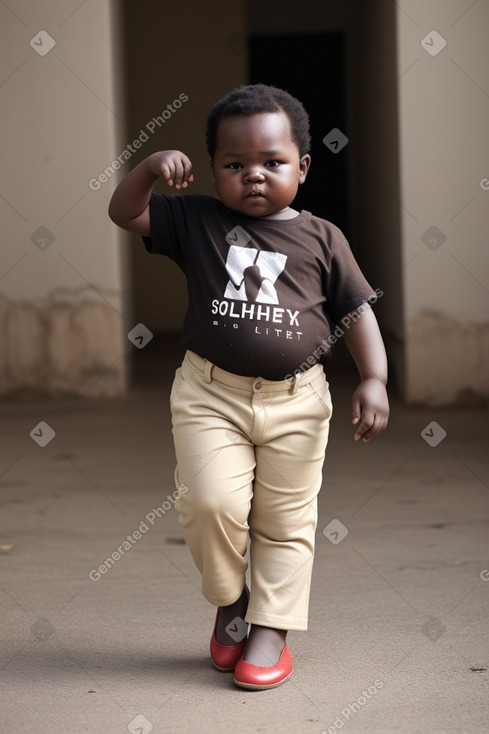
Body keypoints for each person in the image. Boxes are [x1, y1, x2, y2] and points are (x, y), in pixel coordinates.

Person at [108, 84, 389, 690]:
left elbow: (357, 310)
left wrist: (374, 377)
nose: (254, 176)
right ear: (212, 170)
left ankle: (271, 627)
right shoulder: (198, 220)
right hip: (211, 395)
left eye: (272, 163)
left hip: (298, 402)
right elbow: (125, 213)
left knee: (286, 519)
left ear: (303, 167)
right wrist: (150, 168)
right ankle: (231, 600)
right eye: (235, 165)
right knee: (210, 503)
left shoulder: (322, 236)